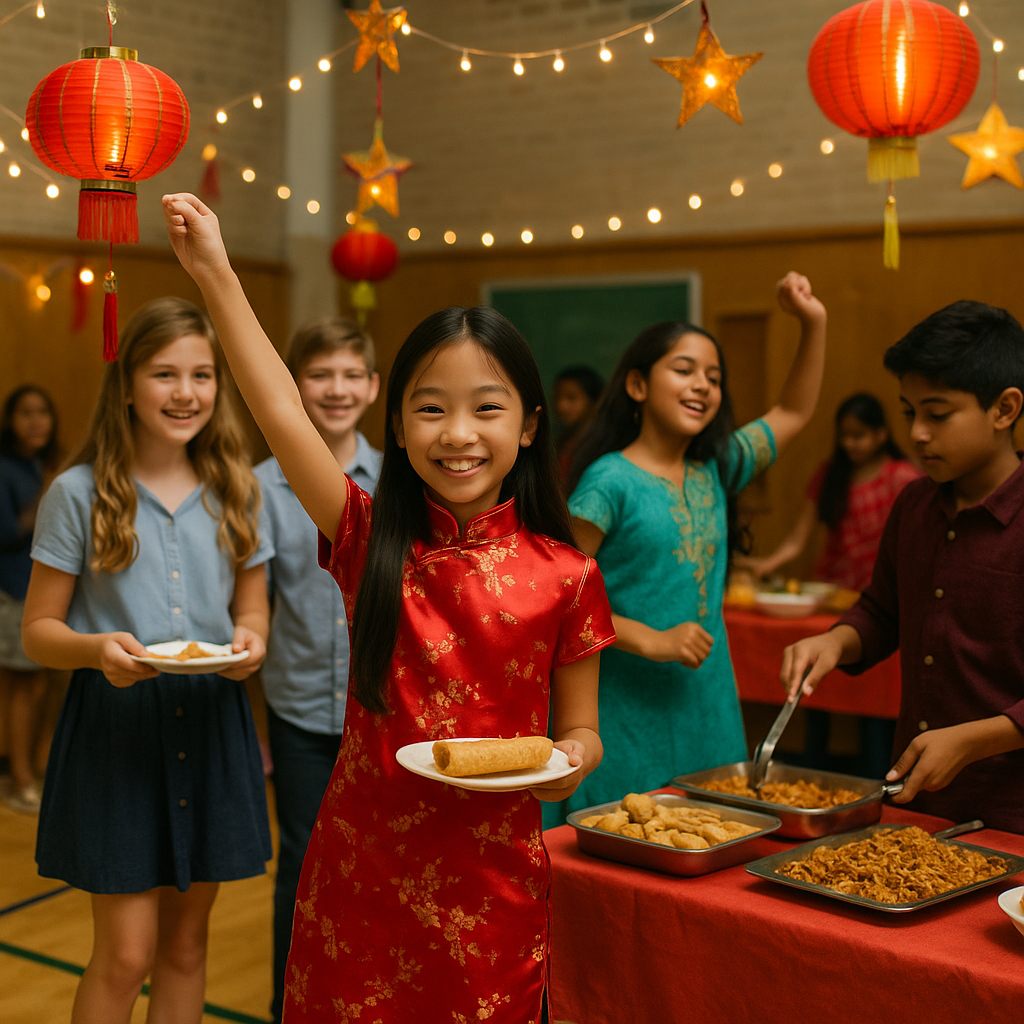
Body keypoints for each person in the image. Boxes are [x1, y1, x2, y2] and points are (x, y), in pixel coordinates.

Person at [162, 191, 616, 1024]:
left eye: (487, 408)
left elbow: (582, 730)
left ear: (527, 427)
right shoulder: (367, 535)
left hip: (493, 883)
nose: (458, 433)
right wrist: (218, 274)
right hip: (361, 866)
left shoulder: (570, 574)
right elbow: (278, 409)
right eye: (430, 408)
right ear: (398, 428)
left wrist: (570, 759)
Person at [22, 297, 273, 1023]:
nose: (186, 393)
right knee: (126, 954)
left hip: (213, 725)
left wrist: (250, 643)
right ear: (127, 383)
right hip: (116, 729)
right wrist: (95, 649)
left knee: (187, 949)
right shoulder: (78, 492)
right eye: (165, 374)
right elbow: (39, 630)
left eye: (202, 375)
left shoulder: (238, 487)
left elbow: (251, 609)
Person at [551, 274, 827, 823]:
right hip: (623, 712)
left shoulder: (718, 466)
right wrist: (650, 638)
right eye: (683, 370)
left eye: (714, 377)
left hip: (708, 705)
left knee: (711, 836)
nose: (702, 385)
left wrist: (813, 321)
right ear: (636, 386)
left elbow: (793, 413)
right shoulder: (609, 482)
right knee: (627, 841)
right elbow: (557, 594)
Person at [781, 300, 1024, 833]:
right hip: (916, 805)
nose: (916, 433)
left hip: (1012, 813)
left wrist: (975, 738)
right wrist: (836, 642)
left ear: (1004, 409)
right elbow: (881, 610)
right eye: (911, 412)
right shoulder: (915, 504)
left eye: (938, 415)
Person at [254, 315, 382, 1024]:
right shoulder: (259, 486)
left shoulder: (401, 479)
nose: (335, 389)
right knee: (301, 864)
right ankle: (289, 1006)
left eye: (349, 374)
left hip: (383, 710)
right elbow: (255, 604)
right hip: (299, 708)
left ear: (372, 386)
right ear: (296, 384)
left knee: (379, 868)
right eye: (319, 374)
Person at [740, 392, 921, 592]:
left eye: (858, 435)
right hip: (837, 587)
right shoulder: (830, 475)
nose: (849, 443)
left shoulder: (902, 476)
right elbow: (797, 540)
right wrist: (769, 563)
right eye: (844, 435)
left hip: (885, 588)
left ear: (881, 434)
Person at [0, 385, 60, 813]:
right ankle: (19, 781)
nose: (36, 421)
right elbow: (5, 533)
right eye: (26, 413)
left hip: (47, 593)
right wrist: (48, 495)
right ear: (10, 421)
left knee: (42, 685)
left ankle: (31, 773)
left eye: (44, 412)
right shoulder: (5, 468)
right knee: (21, 686)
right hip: (14, 588)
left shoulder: (46, 465)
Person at [552, 364, 604, 484]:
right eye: (556, 398)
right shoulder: (559, 444)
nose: (561, 406)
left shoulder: (599, 448)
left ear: (594, 402)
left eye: (571, 398)